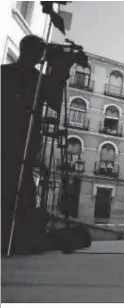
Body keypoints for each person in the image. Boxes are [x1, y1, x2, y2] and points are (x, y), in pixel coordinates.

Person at [1, 35, 68, 254]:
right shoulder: (12, 75)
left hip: (24, 139)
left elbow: (57, 102)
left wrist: (57, 71)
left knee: (21, 184)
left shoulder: (35, 78)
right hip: (17, 137)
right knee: (18, 184)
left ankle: (16, 233)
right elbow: (56, 101)